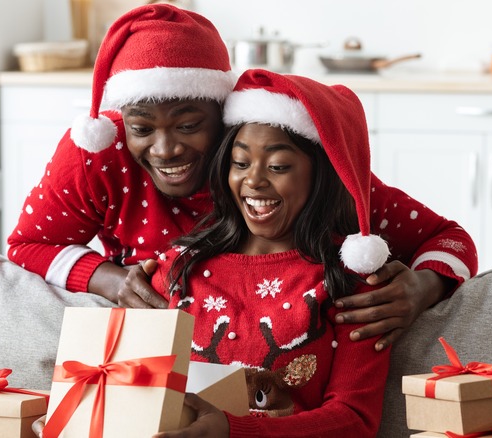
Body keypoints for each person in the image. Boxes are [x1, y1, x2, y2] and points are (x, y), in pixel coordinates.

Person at [6, 3, 478, 351]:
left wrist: (424, 286)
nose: (166, 149)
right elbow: (26, 244)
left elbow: (450, 238)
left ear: (226, 117)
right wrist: (108, 279)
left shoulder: (277, 161)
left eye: (189, 125)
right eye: (142, 129)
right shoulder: (97, 152)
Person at [150, 69, 393, 437]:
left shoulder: (352, 283)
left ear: (320, 175)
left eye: (278, 166)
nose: (254, 180)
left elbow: (355, 419)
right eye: (241, 162)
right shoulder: (181, 266)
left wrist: (236, 432)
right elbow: (134, 382)